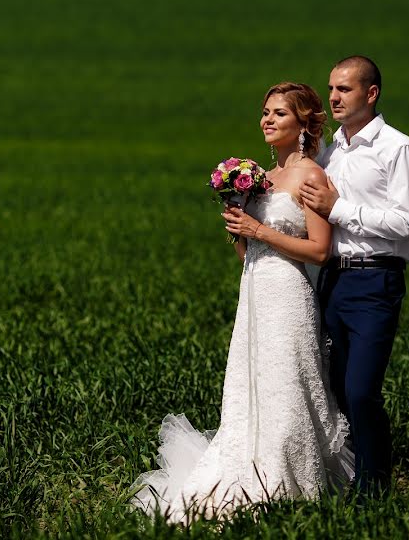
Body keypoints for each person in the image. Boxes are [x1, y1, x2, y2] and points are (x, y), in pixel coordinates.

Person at [129, 83, 354, 524]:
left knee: (287, 382)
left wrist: (258, 230)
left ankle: (292, 481)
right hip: (253, 292)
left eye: (279, 114)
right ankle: (247, 465)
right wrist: (237, 229)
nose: (267, 120)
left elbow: (320, 251)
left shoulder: (310, 176)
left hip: (290, 295)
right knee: (251, 383)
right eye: (265, 113)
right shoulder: (260, 180)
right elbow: (248, 255)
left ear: (304, 124)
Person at [300, 56, 409, 494]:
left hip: (376, 280)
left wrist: (338, 209)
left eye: (345, 89)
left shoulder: (399, 149)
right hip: (332, 280)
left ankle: (375, 489)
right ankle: (348, 477)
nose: (333, 97)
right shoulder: (329, 152)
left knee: (361, 389)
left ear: (371, 94)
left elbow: (406, 222)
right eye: (331, 88)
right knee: (335, 389)